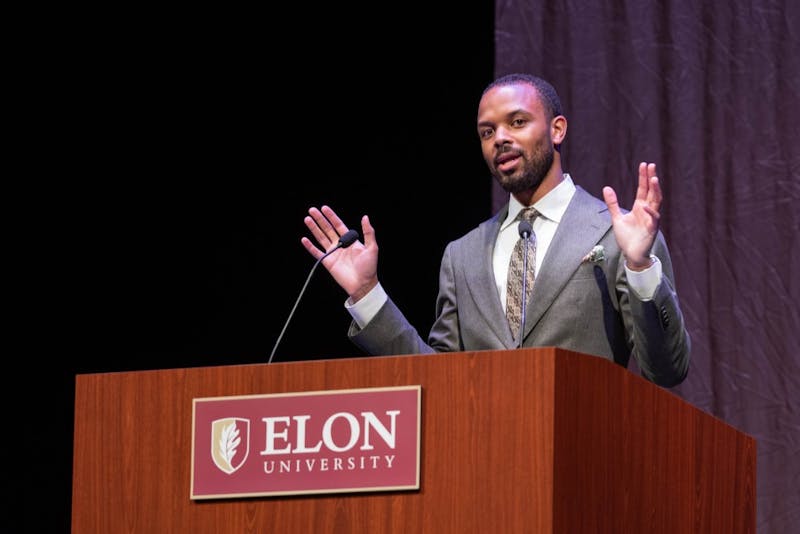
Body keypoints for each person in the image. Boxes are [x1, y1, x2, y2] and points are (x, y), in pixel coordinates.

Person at [301, 73, 690, 387]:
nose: (500, 138)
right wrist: (368, 295)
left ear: (557, 129)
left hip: (581, 448)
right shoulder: (462, 255)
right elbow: (437, 380)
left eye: (517, 122)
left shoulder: (617, 234)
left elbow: (667, 370)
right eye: (487, 132)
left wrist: (640, 268)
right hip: (483, 453)